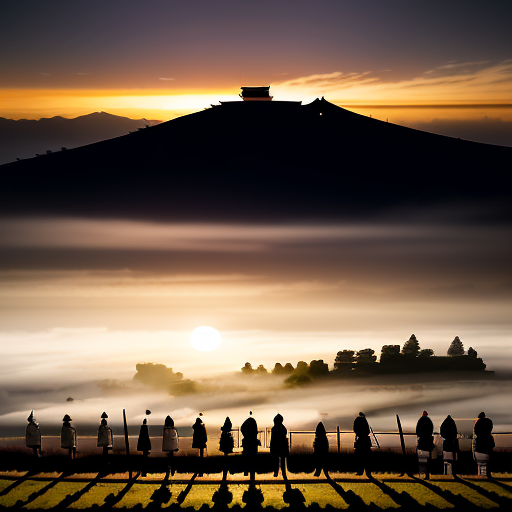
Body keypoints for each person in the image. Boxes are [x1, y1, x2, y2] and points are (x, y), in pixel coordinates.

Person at [241, 411, 260, 483]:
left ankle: (246, 471)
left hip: (247, 442)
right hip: (253, 443)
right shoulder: (253, 423)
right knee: (253, 458)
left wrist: (245, 435)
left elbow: (242, 428)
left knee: (246, 456)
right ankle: (252, 473)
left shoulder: (246, 425)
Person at [473, 412, 494, 476]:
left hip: (479, 449)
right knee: (488, 462)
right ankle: (487, 474)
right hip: (487, 448)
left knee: (480, 462)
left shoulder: (477, 424)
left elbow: (475, 431)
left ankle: (480, 474)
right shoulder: (489, 422)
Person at [416, 410, 434, 478]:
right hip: (428, 441)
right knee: (428, 458)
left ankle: (419, 472)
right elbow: (431, 429)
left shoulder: (420, 420)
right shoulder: (429, 421)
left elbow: (417, 430)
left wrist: (420, 436)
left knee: (419, 456)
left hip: (422, 441)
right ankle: (427, 474)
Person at [353, 412, 372, 477]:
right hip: (365, 441)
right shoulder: (364, 421)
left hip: (361, 441)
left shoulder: (358, 420)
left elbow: (355, 429)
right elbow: (368, 430)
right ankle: (367, 472)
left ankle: (360, 471)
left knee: (360, 457)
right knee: (366, 457)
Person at [219, 417, 234, 483]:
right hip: (227, 446)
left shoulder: (224, 432)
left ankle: (225, 470)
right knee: (227, 457)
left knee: (225, 456)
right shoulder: (228, 433)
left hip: (225, 446)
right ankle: (227, 469)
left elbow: (222, 440)